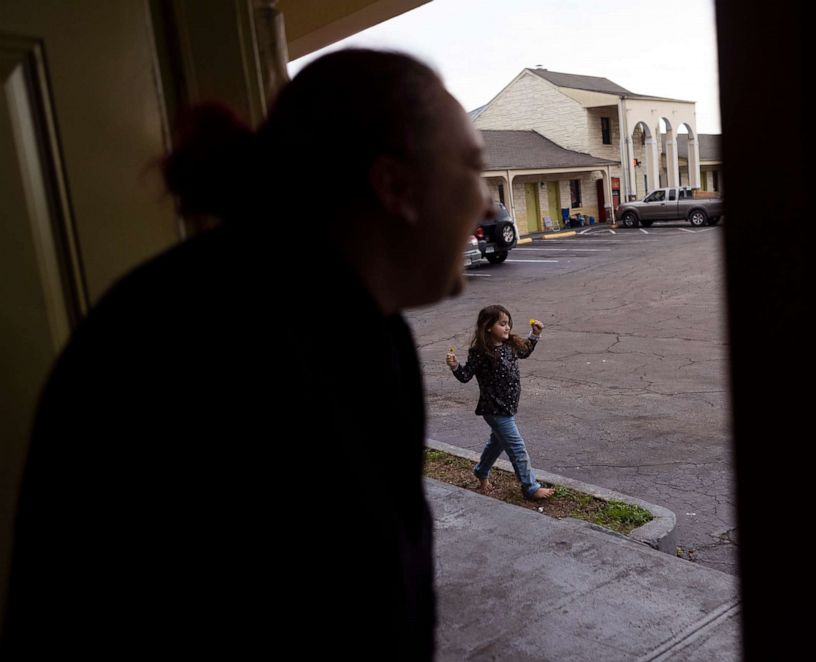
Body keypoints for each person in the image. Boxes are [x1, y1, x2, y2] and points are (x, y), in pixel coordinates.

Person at [1, 49, 492, 658]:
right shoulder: (197, 349)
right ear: (395, 185)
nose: (489, 203)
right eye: (473, 168)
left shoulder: (365, 327)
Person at [445, 305, 554, 500]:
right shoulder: (480, 352)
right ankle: (530, 487)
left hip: (509, 406)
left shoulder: (510, 345)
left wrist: (535, 335)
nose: (507, 328)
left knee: (497, 443)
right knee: (517, 447)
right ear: (488, 327)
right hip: (494, 409)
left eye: (508, 324)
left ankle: (481, 471)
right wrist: (454, 366)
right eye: (502, 324)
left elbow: (525, 351)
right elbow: (465, 376)